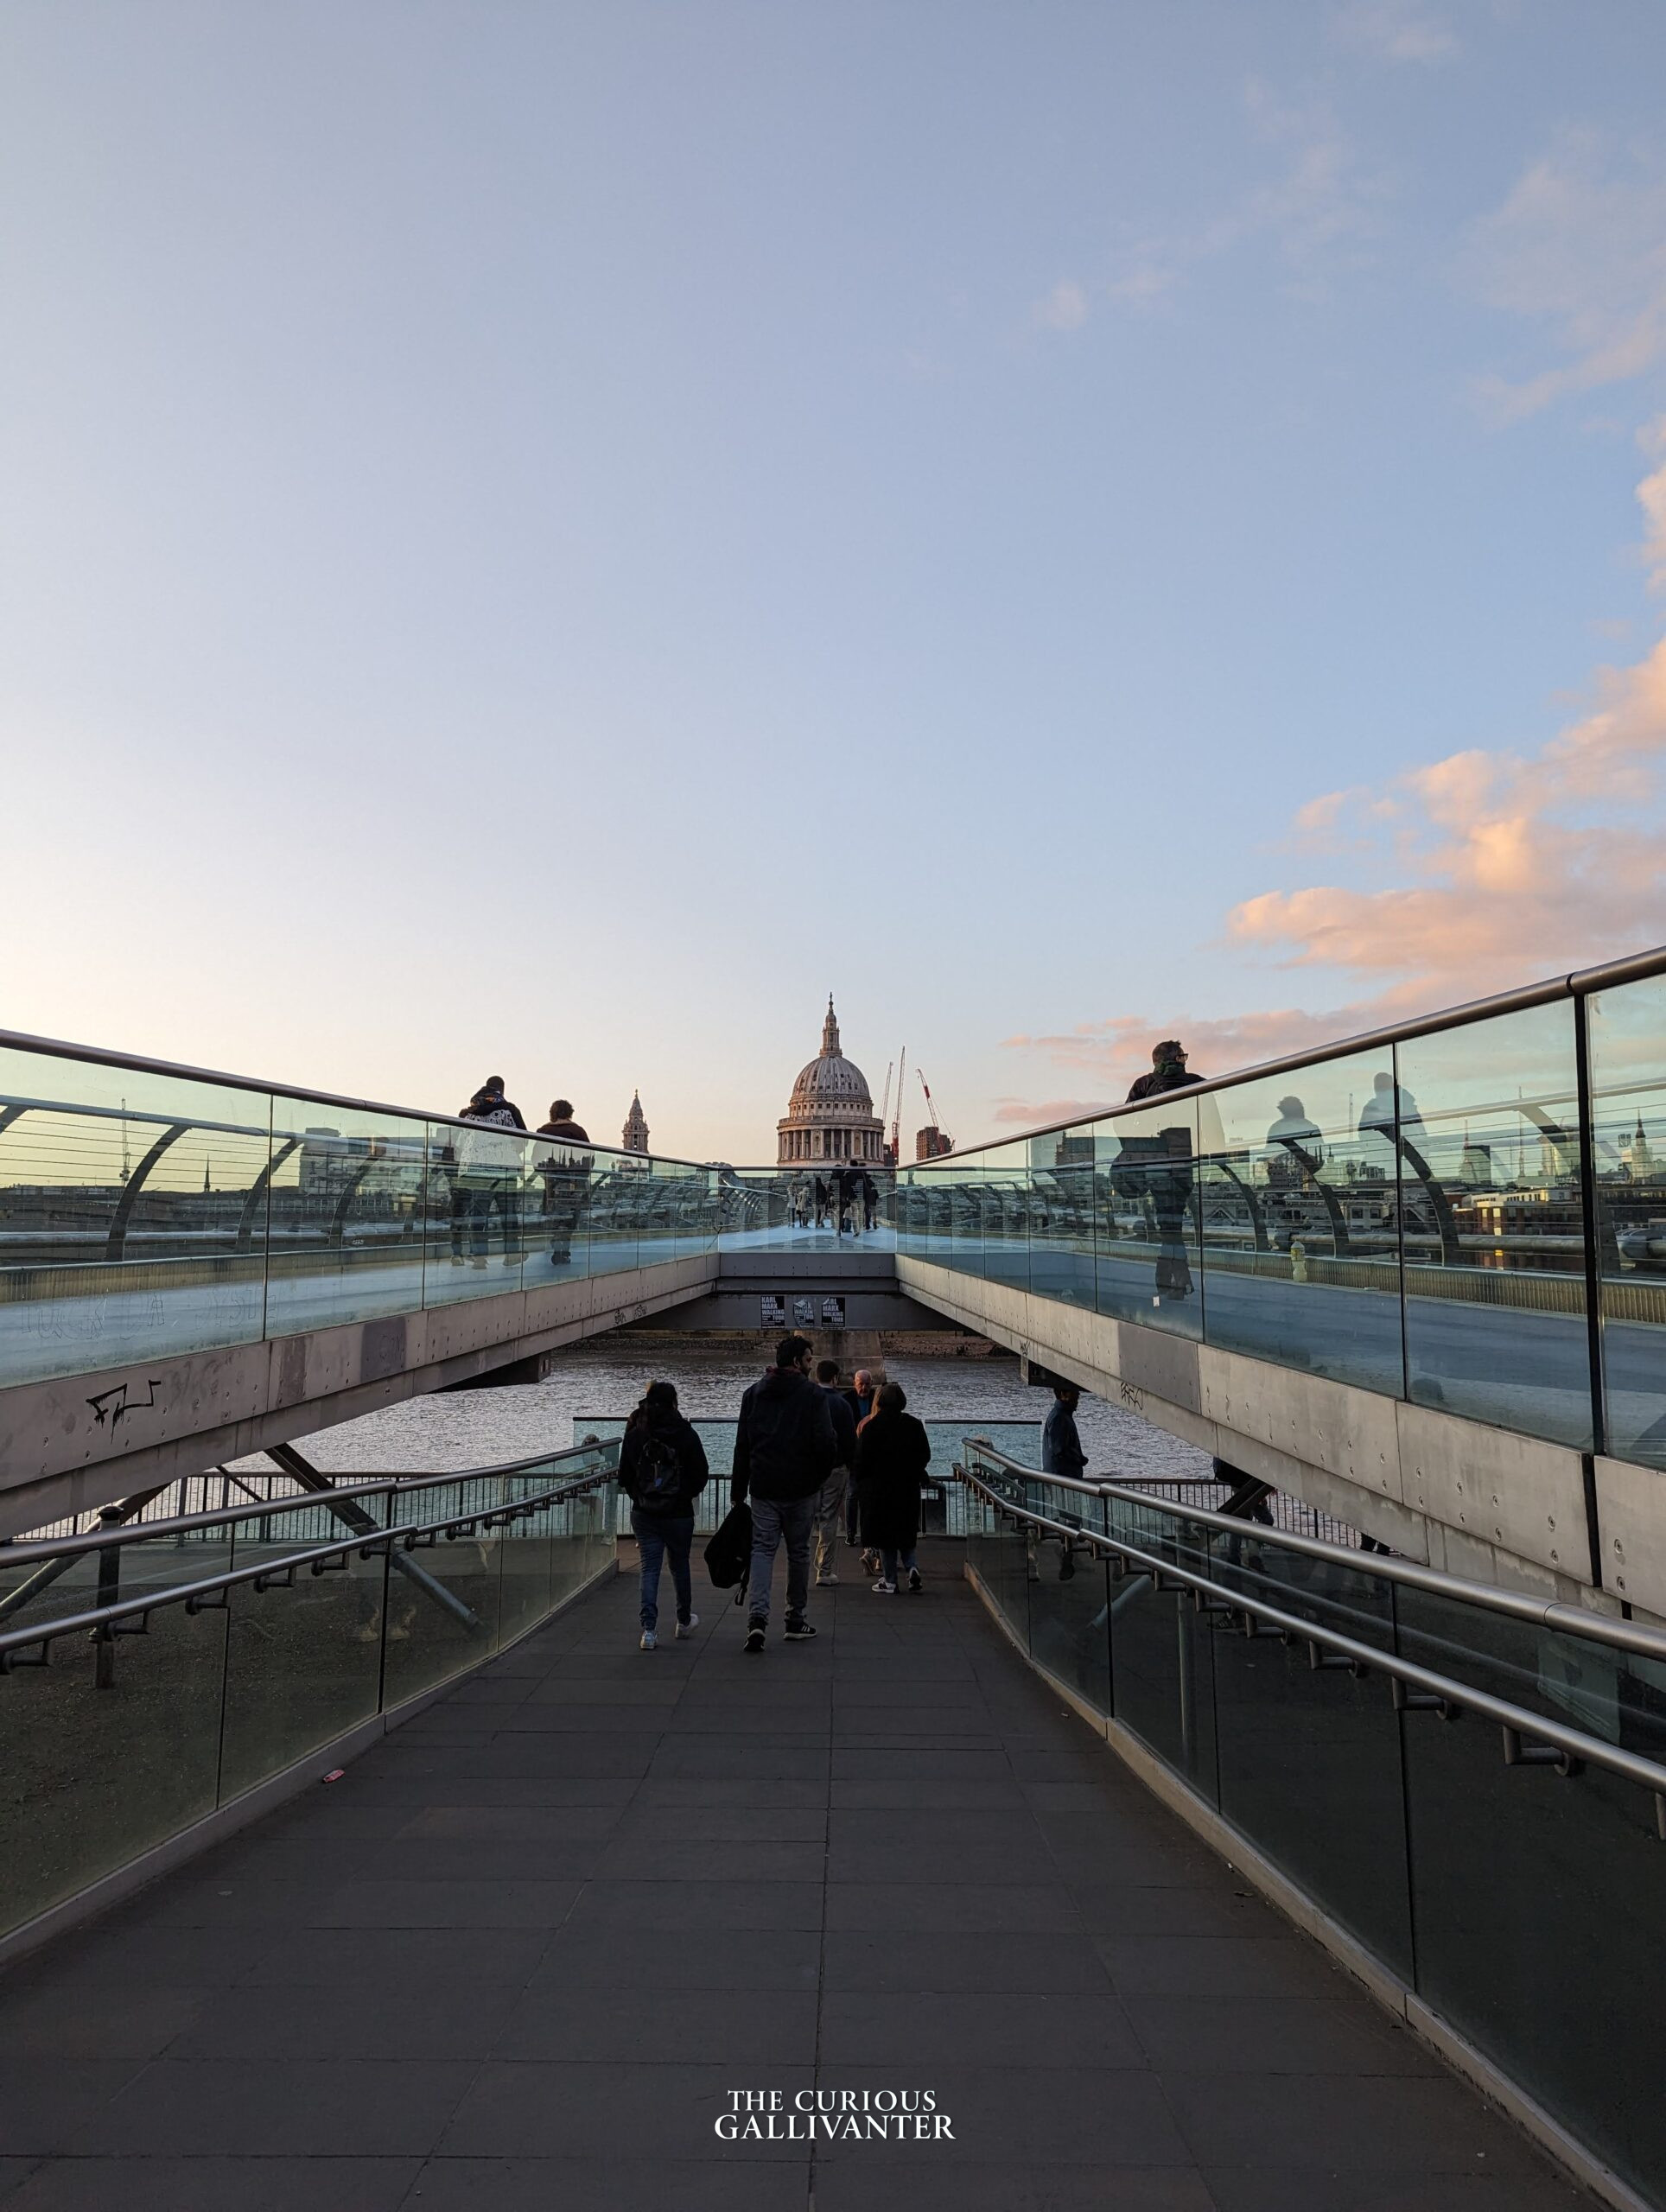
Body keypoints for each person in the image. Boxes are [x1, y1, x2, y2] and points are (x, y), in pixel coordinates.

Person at [731, 1334, 837, 1652]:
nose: (811, 1366)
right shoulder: (813, 1395)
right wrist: (817, 1479)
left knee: (762, 1550)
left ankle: (757, 1620)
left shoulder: (753, 1394)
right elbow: (826, 1443)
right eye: (808, 1360)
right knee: (799, 1552)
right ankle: (795, 1619)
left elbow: (742, 1446)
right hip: (801, 1488)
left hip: (764, 1487)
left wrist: (738, 1490)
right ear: (796, 1362)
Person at [619, 1381, 709, 1649]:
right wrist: (683, 1495)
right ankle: (683, 1621)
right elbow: (701, 1473)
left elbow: (625, 1477)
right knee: (679, 1566)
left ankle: (648, 1630)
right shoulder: (686, 1434)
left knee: (649, 1568)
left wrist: (641, 1497)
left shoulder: (636, 1435)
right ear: (674, 1403)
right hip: (679, 1513)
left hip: (644, 1513)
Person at [855, 1382, 931, 1593]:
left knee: (885, 1536)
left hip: (880, 1490)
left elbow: (861, 1461)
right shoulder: (914, 1425)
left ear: (879, 1401)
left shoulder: (871, 1427)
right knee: (906, 1532)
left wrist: (863, 1484)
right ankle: (912, 1568)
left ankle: (889, 1581)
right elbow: (925, 1454)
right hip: (907, 1487)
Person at [448, 1077, 526, 1267]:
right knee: (508, 1213)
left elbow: (459, 1143)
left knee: (478, 1214)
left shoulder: (469, 1113)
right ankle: (511, 1254)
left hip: (476, 1170)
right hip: (505, 1169)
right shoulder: (510, 1110)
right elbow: (522, 1140)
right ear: (502, 1090)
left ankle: (479, 1256)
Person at [811, 1357, 858, 1586]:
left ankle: (799, 1566)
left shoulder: (808, 1401)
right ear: (835, 1378)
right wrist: (849, 1464)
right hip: (836, 1468)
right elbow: (850, 1440)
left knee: (806, 1515)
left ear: (816, 1376)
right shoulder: (842, 1404)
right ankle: (824, 1569)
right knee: (829, 1518)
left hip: (809, 1468)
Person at [536, 1100, 592, 1267]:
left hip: (552, 1184)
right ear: (570, 1113)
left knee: (554, 1215)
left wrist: (546, 1177)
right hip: (574, 1183)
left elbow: (536, 1158)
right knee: (571, 1217)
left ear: (552, 1113)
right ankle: (564, 1249)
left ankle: (556, 1243)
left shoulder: (543, 1131)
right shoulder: (578, 1131)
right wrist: (581, 1178)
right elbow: (589, 1157)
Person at [843, 1368, 874, 1544]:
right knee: (852, 1494)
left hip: (871, 1454)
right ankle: (850, 1533)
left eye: (867, 1384)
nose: (864, 1388)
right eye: (861, 1384)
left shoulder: (876, 1398)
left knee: (868, 1497)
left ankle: (866, 1535)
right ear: (854, 1383)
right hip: (854, 1455)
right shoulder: (846, 1400)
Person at [1126, 1040, 1205, 1103]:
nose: (1185, 1061)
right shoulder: (1197, 1081)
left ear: (1155, 1062)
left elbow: (1127, 1113)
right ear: (1178, 1059)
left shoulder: (1143, 1083)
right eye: (1184, 1057)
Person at [1042, 1382, 1088, 1478]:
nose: (1078, 1394)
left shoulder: (1061, 1415)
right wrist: (1079, 1458)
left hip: (1060, 1476)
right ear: (1063, 1394)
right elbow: (1059, 1449)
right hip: (1061, 1477)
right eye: (1074, 1391)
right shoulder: (1059, 1417)